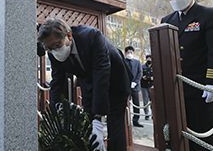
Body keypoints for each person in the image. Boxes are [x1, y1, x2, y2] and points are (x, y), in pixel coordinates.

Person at [37, 18, 133, 151]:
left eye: (57, 45)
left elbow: (101, 75)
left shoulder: (92, 36)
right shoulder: (53, 53)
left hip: (116, 80)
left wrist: (98, 119)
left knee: (114, 122)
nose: (54, 51)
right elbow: (57, 82)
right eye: (49, 48)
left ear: (68, 36)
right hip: (89, 83)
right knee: (88, 120)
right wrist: (56, 115)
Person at [159, 0, 213, 151]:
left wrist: (210, 83)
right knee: (179, 139)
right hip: (176, 91)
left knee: (202, 138)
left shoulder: (207, 15)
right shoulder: (167, 21)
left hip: (200, 90)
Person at [124, 46, 143, 127]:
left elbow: (140, 73)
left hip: (135, 86)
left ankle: (136, 120)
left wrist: (135, 82)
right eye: (128, 52)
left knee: (136, 104)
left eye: (131, 52)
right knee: (125, 104)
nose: (129, 54)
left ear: (134, 53)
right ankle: (125, 120)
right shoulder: (123, 62)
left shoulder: (137, 62)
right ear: (125, 53)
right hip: (126, 86)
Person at [140, 55, 153, 120]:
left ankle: (153, 114)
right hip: (144, 86)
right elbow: (139, 74)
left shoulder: (154, 67)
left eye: (150, 58)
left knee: (153, 100)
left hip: (152, 86)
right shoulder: (142, 67)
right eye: (148, 58)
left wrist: (153, 78)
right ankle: (147, 114)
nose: (149, 60)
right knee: (145, 101)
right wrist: (142, 77)